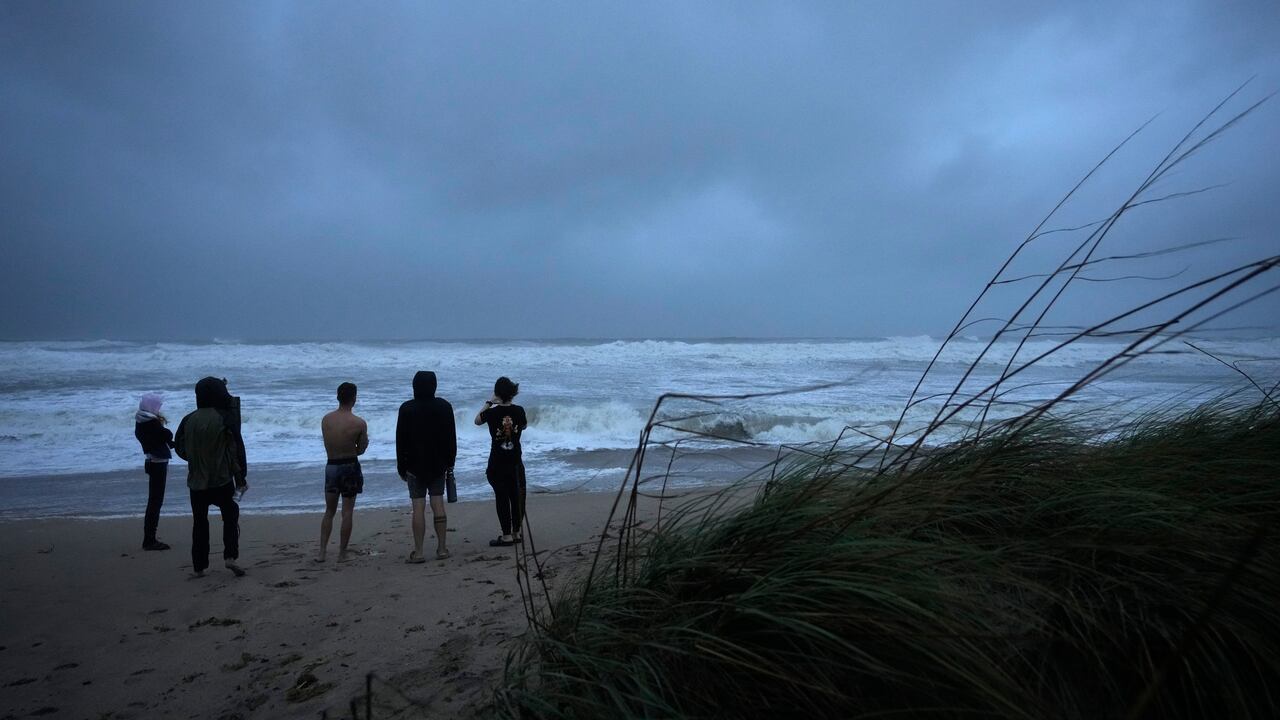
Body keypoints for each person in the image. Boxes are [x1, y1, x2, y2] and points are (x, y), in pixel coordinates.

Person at [174, 377, 248, 577]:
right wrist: (241, 476)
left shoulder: (188, 419)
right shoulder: (224, 418)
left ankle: (199, 567)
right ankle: (230, 557)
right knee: (230, 516)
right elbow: (236, 449)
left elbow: (180, 448)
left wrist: (196, 459)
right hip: (222, 479)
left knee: (199, 522)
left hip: (196, 481)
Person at [395, 371, 457, 562]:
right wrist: (450, 461)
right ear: (434, 386)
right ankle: (442, 549)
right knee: (438, 503)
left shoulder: (407, 408)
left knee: (418, 506)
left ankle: (419, 552)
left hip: (414, 465)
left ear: (415, 386)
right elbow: (451, 438)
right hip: (438, 463)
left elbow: (400, 440)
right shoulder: (444, 406)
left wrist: (401, 466)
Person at [317, 382, 368, 563]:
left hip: (331, 466)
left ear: (338, 397)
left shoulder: (326, 420)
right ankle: (342, 553)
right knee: (347, 512)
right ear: (354, 399)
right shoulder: (359, 423)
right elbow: (361, 449)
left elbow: (328, 443)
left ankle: (322, 552)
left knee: (329, 511)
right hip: (349, 466)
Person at [474, 377, 527, 547]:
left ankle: (506, 536)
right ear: (513, 393)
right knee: (517, 496)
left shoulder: (491, 413)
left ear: (497, 394)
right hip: (515, 461)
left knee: (502, 497)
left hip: (497, 462)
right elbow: (524, 426)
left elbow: (477, 421)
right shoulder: (519, 411)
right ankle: (516, 532)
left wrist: (489, 402)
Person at [134, 393, 174, 551]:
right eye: (157, 406)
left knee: (154, 501)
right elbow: (166, 434)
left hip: (152, 461)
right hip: (158, 463)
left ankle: (150, 537)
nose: (159, 408)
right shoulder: (151, 422)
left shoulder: (141, 420)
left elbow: (159, 439)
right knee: (155, 502)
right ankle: (149, 540)